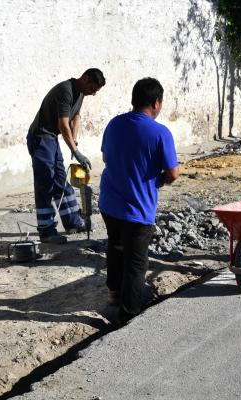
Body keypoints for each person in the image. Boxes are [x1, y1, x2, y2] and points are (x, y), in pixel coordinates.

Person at [99, 77, 179, 325]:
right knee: (136, 262)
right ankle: (129, 313)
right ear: (156, 103)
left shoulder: (114, 124)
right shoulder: (160, 133)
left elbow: (106, 155)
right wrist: (160, 179)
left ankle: (114, 292)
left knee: (115, 245)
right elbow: (172, 173)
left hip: (109, 203)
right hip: (138, 208)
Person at [27, 68, 105, 244]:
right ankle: (46, 231)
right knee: (45, 183)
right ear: (85, 79)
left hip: (51, 138)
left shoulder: (81, 93)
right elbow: (63, 124)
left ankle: (73, 222)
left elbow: (75, 117)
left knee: (61, 180)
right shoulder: (66, 90)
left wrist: (74, 143)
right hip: (40, 137)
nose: (93, 94)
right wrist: (76, 153)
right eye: (93, 89)